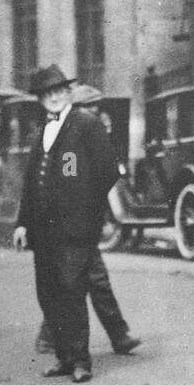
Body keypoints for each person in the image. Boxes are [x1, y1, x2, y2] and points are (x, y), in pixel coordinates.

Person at [13, 65, 120, 383]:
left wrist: (88, 213)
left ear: (68, 93)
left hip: (75, 231)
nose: (54, 98)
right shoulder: (41, 131)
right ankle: (63, 357)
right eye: (47, 94)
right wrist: (22, 224)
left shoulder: (86, 124)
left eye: (59, 91)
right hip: (43, 233)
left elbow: (108, 171)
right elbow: (31, 183)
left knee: (72, 293)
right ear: (40, 99)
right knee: (49, 294)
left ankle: (81, 361)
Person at [34, 84, 140, 358]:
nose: (98, 116)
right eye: (92, 110)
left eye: (98, 110)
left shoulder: (86, 133)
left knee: (83, 281)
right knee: (79, 282)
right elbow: (69, 180)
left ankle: (117, 336)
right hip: (69, 226)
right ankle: (115, 336)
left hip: (81, 224)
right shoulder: (67, 141)